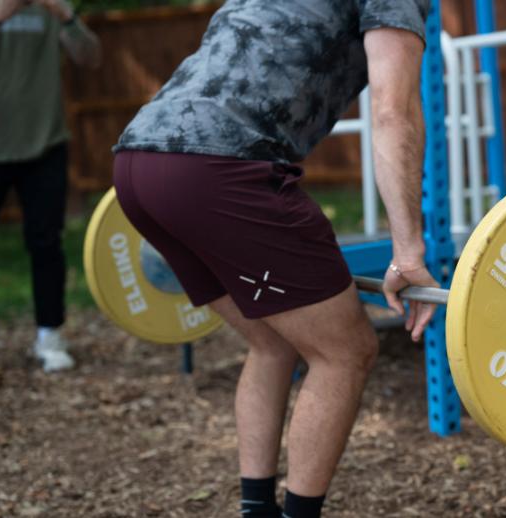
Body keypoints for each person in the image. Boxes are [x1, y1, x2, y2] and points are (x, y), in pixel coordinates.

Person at [112, 1, 437, 516]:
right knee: (346, 351)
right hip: (218, 166)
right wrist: (407, 248)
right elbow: (393, 111)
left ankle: (256, 510)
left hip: (137, 164)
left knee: (271, 340)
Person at [0, 0, 101, 372]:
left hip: (45, 144)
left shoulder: (50, 7)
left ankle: (50, 334)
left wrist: (64, 14)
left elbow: (91, 58)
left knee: (46, 243)